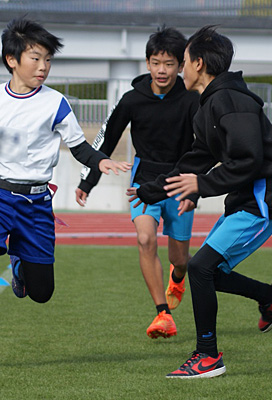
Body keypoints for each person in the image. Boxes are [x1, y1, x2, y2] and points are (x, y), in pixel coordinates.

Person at [0, 17, 131, 371]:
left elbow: (80, 148)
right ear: (12, 59)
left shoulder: (56, 104)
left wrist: (100, 162)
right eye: (35, 58)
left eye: (48, 60)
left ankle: (21, 264)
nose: (43, 67)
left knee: (41, 293)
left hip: (37, 205)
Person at [127, 25, 272, 379]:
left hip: (263, 200)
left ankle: (207, 355)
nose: (179, 69)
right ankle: (270, 296)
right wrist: (151, 190)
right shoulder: (209, 104)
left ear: (199, 63)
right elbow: (196, 158)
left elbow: (248, 159)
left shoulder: (231, 100)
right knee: (210, 271)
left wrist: (201, 186)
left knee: (200, 268)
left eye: (183, 62)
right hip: (244, 198)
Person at [75, 27, 199, 339]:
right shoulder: (132, 100)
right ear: (147, 63)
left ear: (181, 66)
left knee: (179, 259)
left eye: (170, 63)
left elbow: (208, 143)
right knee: (145, 239)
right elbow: (107, 139)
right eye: (156, 62)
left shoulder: (191, 100)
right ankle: (162, 314)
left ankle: (178, 276)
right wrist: (88, 182)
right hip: (143, 180)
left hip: (180, 181)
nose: (162, 70)